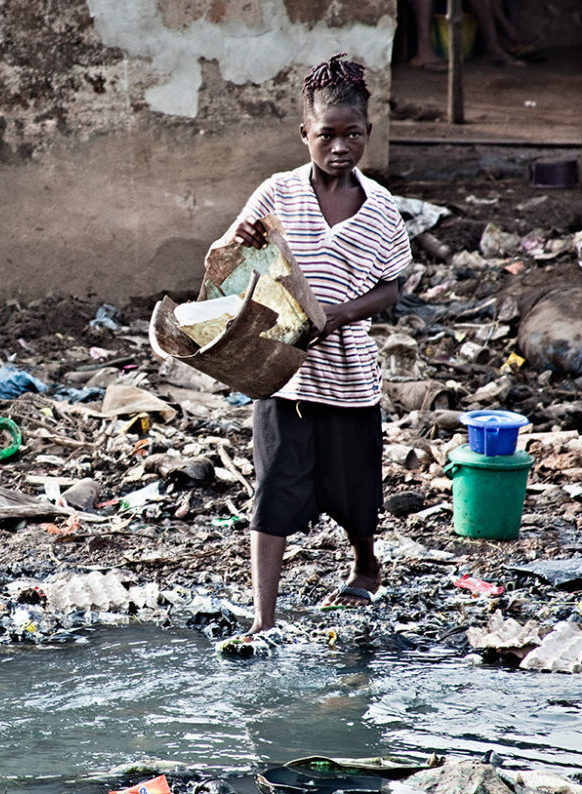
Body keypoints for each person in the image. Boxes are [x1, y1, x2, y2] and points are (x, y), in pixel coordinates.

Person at [212, 54, 411, 635]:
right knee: (274, 491)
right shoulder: (277, 194)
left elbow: (392, 288)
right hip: (284, 374)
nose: (340, 146)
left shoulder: (381, 211)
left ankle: (365, 564)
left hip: (349, 382)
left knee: (354, 497)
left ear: (368, 134)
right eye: (327, 134)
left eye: (353, 134)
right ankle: (263, 622)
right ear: (305, 135)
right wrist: (241, 239)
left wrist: (340, 315)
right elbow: (222, 264)